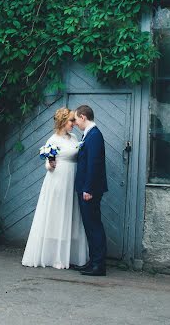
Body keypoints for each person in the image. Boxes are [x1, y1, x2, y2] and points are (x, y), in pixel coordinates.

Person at [22, 108, 89, 269]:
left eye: (74, 120)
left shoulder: (73, 137)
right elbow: (48, 162)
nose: (73, 124)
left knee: (71, 214)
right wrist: (49, 164)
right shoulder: (53, 139)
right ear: (62, 122)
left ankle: (69, 254)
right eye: (71, 121)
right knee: (58, 215)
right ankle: (55, 256)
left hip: (73, 179)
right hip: (59, 180)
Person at [74, 104, 108, 276]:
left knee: (94, 225)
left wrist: (88, 188)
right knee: (89, 225)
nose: (75, 123)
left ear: (83, 117)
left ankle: (98, 265)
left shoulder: (94, 135)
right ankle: (93, 261)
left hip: (90, 190)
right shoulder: (88, 134)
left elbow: (94, 164)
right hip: (87, 188)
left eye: (76, 119)